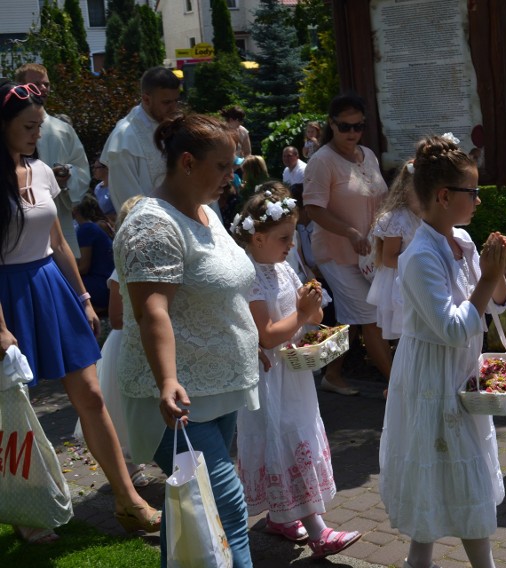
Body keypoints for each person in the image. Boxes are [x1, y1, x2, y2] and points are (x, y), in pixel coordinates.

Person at [0, 79, 160, 544]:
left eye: (40, 126)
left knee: (91, 396)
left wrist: (84, 298)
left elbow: (57, 243)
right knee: (15, 408)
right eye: (29, 127)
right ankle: (24, 508)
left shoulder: (43, 171)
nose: (37, 134)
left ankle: (128, 500)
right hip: (6, 298)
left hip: (50, 286)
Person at [113, 113, 260, 567]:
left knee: (197, 516)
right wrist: (168, 379)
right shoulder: (152, 225)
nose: (231, 176)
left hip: (219, 385)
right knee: (226, 505)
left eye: (233, 166)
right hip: (179, 395)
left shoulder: (206, 212)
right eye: (222, 166)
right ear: (188, 163)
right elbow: (150, 309)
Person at [379, 134, 506, 568]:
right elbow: (452, 327)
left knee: (458, 474)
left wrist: (498, 271)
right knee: (441, 476)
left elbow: (497, 301)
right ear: (443, 195)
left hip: (460, 374)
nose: (477, 200)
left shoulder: (463, 240)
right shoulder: (419, 256)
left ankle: (420, 562)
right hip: (432, 379)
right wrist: (488, 280)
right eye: (471, 192)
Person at [231, 187, 362, 559]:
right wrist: (302, 315)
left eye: (292, 236)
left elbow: (312, 319)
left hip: (295, 376)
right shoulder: (251, 276)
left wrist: (312, 303)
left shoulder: (284, 268)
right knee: (283, 438)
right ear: (257, 238)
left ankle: (281, 516)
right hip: (271, 379)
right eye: (283, 238)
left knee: (299, 433)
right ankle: (319, 532)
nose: (291, 244)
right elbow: (267, 334)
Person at [303, 94, 391, 395]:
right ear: (331, 124)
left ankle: (332, 374)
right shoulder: (321, 161)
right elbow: (313, 209)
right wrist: (351, 232)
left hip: (369, 256)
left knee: (354, 318)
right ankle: (399, 387)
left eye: (358, 126)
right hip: (337, 254)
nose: (352, 133)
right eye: (345, 127)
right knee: (371, 317)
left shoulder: (368, 154)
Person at [73, 195, 151, 487]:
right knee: (123, 409)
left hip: (146, 340)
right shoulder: (122, 269)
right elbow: (117, 318)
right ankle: (128, 464)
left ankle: (148, 455)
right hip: (128, 342)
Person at [15, 63, 91, 259]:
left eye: (46, 84)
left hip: (58, 219)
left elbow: (82, 169)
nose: (43, 89)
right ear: (20, 86)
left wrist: (67, 177)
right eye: (36, 84)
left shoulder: (63, 130)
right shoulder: (8, 129)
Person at [101, 66, 181, 211]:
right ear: (146, 99)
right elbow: (127, 200)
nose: (174, 108)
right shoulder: (124, 138)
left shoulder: (176, 127)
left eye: (176, 101)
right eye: (167, 102)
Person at [366, 161, 421, 340]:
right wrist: (421, 262)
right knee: (407, 331)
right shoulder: (397, 219)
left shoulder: (428, 216)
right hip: (401, 280)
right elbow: (389, 258)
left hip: (421, 276)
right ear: (405, 190)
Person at [71, 194, 114, 315]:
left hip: (100, 286)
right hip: (107, 285)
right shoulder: (94, 227)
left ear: (75, 209)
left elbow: (84, 268)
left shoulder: (86, 229)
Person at [91, 156, 116, 223]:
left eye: (97, 168)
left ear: (107, 169)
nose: (94, 170)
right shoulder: (97, 187)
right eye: (94, 167)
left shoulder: (115, 187)